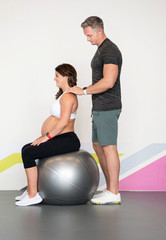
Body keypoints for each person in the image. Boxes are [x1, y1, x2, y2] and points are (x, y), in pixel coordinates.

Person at [69, 16, 122, 205]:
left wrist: (82, 91)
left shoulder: (110, 50)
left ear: (99, 30)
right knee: (98, 146)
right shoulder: (101, 50)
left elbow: (108, 82)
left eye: (89, 35)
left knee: (109, 148)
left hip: (108, 106)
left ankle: (114, 192)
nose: (88, 39)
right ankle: (110, 189)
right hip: (99, 107)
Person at [15, 63, 80, 206]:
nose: (54, 79)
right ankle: (32, 190)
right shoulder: (63, 95)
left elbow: (63, 123)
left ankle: (33, 195)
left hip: (67, 139)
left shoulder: (68, 97)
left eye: (57, 76)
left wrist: (47, 137)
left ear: (66, 76)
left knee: (28, 153)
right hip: (60, 137)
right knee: (27, 148)